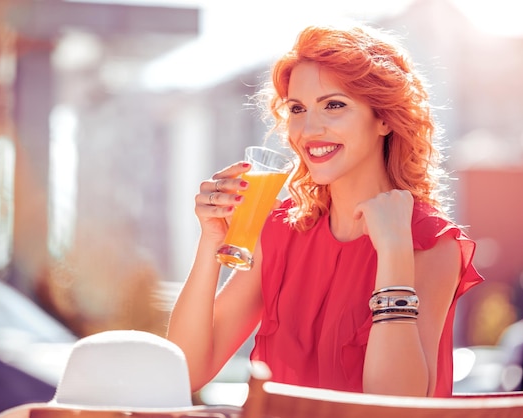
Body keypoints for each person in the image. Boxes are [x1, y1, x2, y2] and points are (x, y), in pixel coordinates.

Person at [167, 23, 483, 398]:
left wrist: (394, 254)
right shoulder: (282, 231)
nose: (309, 129)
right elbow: (183, 373)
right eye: (297, 109)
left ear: (383, 117)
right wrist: (211, 242)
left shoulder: (429, 241)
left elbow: (395, 404)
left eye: (333, 105)